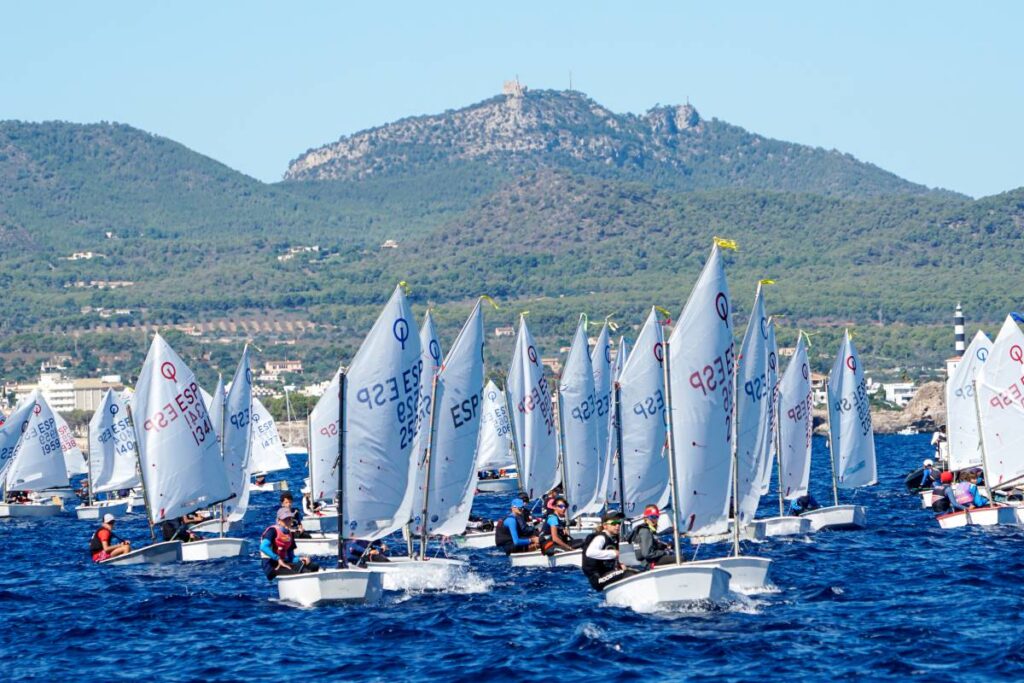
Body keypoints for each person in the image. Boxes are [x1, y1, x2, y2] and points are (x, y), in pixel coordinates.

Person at [581, 511, 639, 591]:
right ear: (605, 525)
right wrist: (614, 553)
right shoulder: (601, 538)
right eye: (614, 523)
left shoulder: (614, 538)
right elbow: (590, 553)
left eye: (619, 523)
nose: (617, 525)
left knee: (638, 572)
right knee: (628, 573)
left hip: (609, 574)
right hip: (598, 578)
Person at [260, 508, 320, 580]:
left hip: (285, 564)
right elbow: (263, 547)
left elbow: (291, 557)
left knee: (314, 566)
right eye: (285, 519)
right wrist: (278, 559)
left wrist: (300, 559)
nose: (288, 521)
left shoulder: (290, 534)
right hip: (272, 566)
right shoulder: (272, 531)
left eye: (289, 519)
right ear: (279, 521)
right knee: (301, 573)